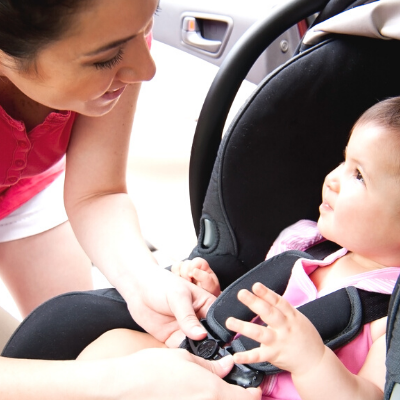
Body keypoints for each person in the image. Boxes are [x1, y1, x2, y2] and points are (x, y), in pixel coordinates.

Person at [0, 1, 263, 399]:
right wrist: (111, 381)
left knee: (63, 329)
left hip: (24, 190)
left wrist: (144, 283)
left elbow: (97, 192)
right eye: (106, 58)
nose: (147, 69)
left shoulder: (113, 26)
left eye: (145, 27)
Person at [78, 97, 400, 400]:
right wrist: (216, 304)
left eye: (358, 175)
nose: (332, 179)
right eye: (344, 161)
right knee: (111, 348)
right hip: (224, 370)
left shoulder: (389, 316)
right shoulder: (308, 250)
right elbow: (251, 329)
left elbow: (371, 395)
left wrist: (313, 362)